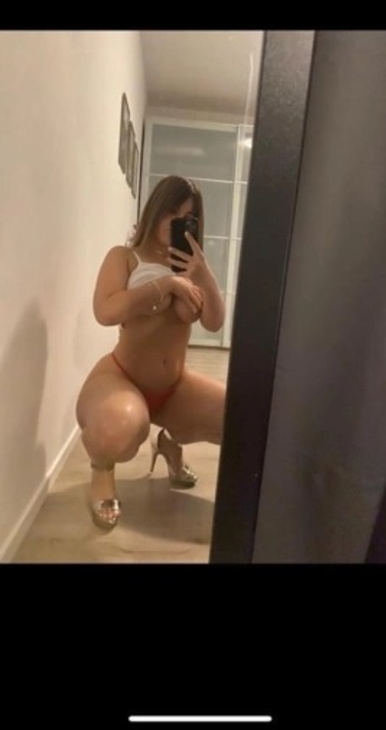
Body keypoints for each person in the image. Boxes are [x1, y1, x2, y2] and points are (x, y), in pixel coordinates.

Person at [76, 175, 226, 529]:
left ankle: (168, 443)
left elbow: (214, 322)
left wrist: (202, 273)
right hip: (122, 377)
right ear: (155, 210)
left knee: (241, 417)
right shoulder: (125, 257)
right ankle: (102, 471)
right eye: (171, 213)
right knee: (120, 428)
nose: (177, 222)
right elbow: (106, 312)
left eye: (187, 217)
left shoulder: (191, 266)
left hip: (174, 387)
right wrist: (166, 284)